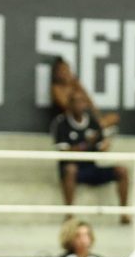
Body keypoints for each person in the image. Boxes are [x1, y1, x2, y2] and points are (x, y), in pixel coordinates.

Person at [51, 90, 130, 222]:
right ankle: (69, 214)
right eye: (76, 101)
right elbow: (64, 151)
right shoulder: (61, 123)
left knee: (122, 170)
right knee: (70, 170)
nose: (80, 105)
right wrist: (85, 144)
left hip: (91, 168)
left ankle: (124, 213)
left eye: (82, 101)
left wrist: (104, 145)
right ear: (69, 104)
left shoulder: (92, 122)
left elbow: (99, 146)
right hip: (72, 169)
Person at [50, 57, 119, 133]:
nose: (66, 72)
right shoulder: (56, 89)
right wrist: (78, 104)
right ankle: (96, 131)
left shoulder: (75, 83)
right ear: (57, 73)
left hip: (86, 117)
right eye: (62, 70)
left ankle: (98, 128)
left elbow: (88, 100)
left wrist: (97, 116)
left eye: (67, 69)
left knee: (114, 117)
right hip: (73, 121)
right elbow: (67, 107)